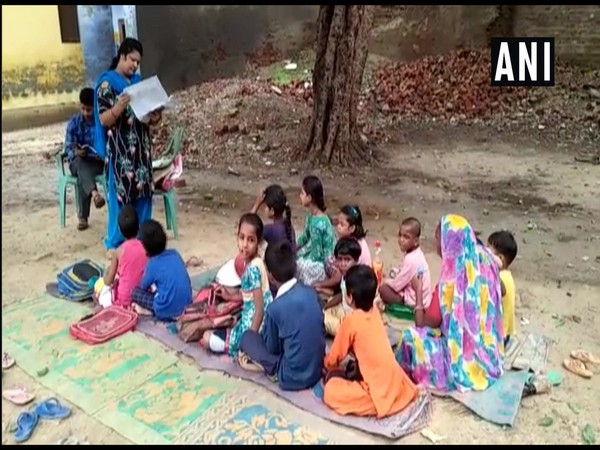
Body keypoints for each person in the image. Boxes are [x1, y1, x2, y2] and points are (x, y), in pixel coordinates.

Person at [395, 214, 504, 393]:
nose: (436, 243)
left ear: (448, 243)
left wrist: (419, 293)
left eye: (438, 238)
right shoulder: (485, 260)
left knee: (409, 337)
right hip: (488, 353)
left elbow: (424, 323)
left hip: (460, 356)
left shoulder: (450, 280)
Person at [323, 265, 418, 418]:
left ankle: (377, 400)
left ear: (350, 297)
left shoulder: (351, 320)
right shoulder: (375, 312)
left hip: (377, 394)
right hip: (394, 381)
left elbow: (335, 357)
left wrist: (326, 366)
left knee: (331, 391)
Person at [95, 37, 162, 251]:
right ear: (122, 55)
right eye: (132, 60)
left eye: (138, 62)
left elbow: (149, 119)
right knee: (121, 199)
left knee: (143, 195)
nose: (134, 65)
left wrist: (156, 114)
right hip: (120, 154)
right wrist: (119, 106)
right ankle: (116, 244)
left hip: (141, 153)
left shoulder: (139, 83)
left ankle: (143, 242)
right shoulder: (106, 84)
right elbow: (104, 119)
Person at [238, 240, 325, 390]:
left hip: (290, 377)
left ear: (270, 276)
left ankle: (272, 369)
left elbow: (272, 349)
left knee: (247, 337)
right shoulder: (311, 292)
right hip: (317, 369)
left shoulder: (274, 308)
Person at [201, 213, 273, 357]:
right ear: (237, 238)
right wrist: (229, 296)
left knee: (207, 338)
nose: (245, 244)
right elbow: (250, 295)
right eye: (242, 238)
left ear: (258, 243)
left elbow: (259, 309)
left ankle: (247, 347)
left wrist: (250, 343)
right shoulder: (257, 262)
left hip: (255, 325)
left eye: (251, 240)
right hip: (257, 321)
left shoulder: (252, 269)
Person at [132, 220, 192, 320]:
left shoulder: (152, 264)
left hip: (165, 309)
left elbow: (143, 286)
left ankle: (151, 311)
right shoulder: (175, 253)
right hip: (187, 305)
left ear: (145, 247)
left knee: (134, 292)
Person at [64, 87, 106, 231]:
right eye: (83, 109)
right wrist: (76, 151)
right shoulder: (74, 123)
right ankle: (95, 194)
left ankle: (83, 218)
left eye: (89, 110)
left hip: (96, 162)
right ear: (80, 106)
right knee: (81, 165)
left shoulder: (101, 122)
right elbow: (68, 148)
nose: (86, 113)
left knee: (84, 173)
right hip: (77, 162)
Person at [95, 205, 148, 308]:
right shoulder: (146, 247)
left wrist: (105, 278)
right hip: (143, 297)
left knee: (102, 293)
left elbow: (108, 281)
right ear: (139, 226)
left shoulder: (118, 252)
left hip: (124, 299)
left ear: (119, 229)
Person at [315, 204, 371, 296]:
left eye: (342, 224)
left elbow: (340, 275)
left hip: (357, 282)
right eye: (337, 223)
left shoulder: (353, 246)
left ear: (352, 228)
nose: (338, 227)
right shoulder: (348, 239)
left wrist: (321, 284)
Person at [379, 217, 432, 309]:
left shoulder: (411, 259)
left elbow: (396, 286)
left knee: (383, 289)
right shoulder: (417, 254)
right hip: (423, 298)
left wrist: (385, 282)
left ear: (415, 241)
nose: (401, 240)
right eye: (400, 235)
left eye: (406, 237)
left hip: (415, 301)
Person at [296, 175, 336, 285]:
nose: (300, 196)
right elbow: (305, 237)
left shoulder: (317, 223)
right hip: (318, 254)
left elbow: (317, 254)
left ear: (309, 198)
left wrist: (299, 257)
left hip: (326, 261)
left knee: (297, 265)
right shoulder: (311, 215)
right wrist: (294, 248)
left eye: (302, 193)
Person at [322, 237, 361, 336]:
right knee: (325, 308)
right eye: (340, 259)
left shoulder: (357, 281)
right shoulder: (345, 275)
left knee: (320, 318)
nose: (343, 264)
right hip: (344, 311)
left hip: (352, 326)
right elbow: (342, 295)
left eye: (347, 259)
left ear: (356, 261)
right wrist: (325, 307)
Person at [488, 230, 518, 347]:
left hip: (499, 336)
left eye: (489, 251)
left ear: (500, 258)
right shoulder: (507, 275)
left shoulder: (500, 278)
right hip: (506, 332)